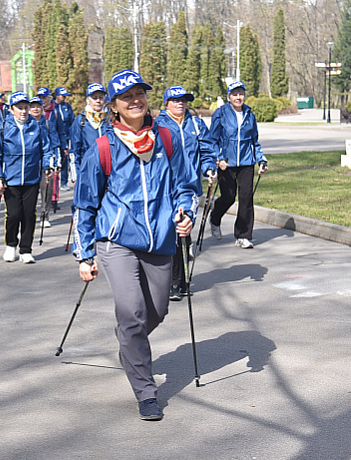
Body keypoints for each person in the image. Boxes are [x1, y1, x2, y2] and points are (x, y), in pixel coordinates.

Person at [72, 70, 200, 421]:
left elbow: (186, 186)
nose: (135, 100)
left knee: (156, 311)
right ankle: (146, 391)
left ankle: (129, 341)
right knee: (132, 312)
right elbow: (85, 203)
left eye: (140, 94)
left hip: (160, 239)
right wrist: (83, 254)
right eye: (126, 97)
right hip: (116, 242)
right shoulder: (102, 147)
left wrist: (185, 212)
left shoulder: (167, 138)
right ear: (114, 106)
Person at [155, 85, 218, 300]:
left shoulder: (196, 123)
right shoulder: (158, 125)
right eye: (175, 100)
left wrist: (209, 168)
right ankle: (171, 282)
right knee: (170, 235)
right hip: (165, 188)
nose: (180, 103)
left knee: (183, 232)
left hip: (189, 187)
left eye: (183, 100)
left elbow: (207, 149)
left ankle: (182, 282)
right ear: (166, 104)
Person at [0, 91, 53, 264]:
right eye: (20, 108)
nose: (24, 111)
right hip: (10, 180)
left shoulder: (38, 126)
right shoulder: (3, 128)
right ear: (11, 109)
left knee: (29, 215)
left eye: (26, 108)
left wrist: (47, 165)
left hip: (32, 179)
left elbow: (46, 149)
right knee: (14, 214)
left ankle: (26, 249)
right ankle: (11, 245)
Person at [208, 81, 268, 249]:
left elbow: (254, 142)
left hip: (246, 163)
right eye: (234, 94)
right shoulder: (220, 114)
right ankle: (215, 217)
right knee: (228, 196)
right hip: (226, 163)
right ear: (229, 97)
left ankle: (243, 235)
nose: (238, 97)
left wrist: (261, 160)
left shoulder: (250, 114)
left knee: (246, 198)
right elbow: (212, 141)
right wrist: (218, 158)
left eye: (241, 94)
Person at [28, 96, 60, 229]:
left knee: (46, 190)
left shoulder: (48, 124)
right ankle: (29, 216)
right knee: (30, 193)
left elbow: (55, 143)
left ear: (42, 108)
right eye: (33, 107)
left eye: (38, 106)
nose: (36, 109)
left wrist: (56, 163)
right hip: (29, 164)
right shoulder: (26, 124)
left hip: (45, 163)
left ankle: (44, 216)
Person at [69, 83, 110, 181]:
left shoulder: (110, 118)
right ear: (88, 100)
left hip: (110, 170)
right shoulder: (81, 121)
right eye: (94, 98)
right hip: (88, 171)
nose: (98, 101)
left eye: (101, 97)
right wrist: (76, 176)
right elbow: (75, 150)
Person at [37, 87, 62, 212]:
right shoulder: (29, 119)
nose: (42, 100)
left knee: (52, 177)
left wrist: (62, 148)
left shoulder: (55, 112)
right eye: (40, 97)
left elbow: (61, 129)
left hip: (51, 147)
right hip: (35, 156)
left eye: (44, 97)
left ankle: (53, 200)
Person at [53, 87, 75, 191]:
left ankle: (63, 182)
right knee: (55, 160)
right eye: (62, 96)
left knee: (65, 160)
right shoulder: (52, 106)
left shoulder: (67, 106)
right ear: (57, 95)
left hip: (66, 136)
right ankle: (53, 184)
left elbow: (72, 120)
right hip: (55, 136)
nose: (64, 98)